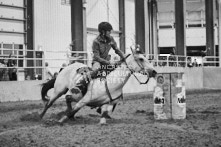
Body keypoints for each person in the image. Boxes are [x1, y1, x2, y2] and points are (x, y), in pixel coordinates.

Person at [71, 22, 125, 95]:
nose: (110, 33)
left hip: (108, 61)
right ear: (103, 32)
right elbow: (96, 57)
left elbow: (117, 50)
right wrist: (108, 63)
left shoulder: (111, 39)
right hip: (98, 62)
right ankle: (79, 85)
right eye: (109, 31)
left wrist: (124, 57)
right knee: (95, 70)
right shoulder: (96, 42)